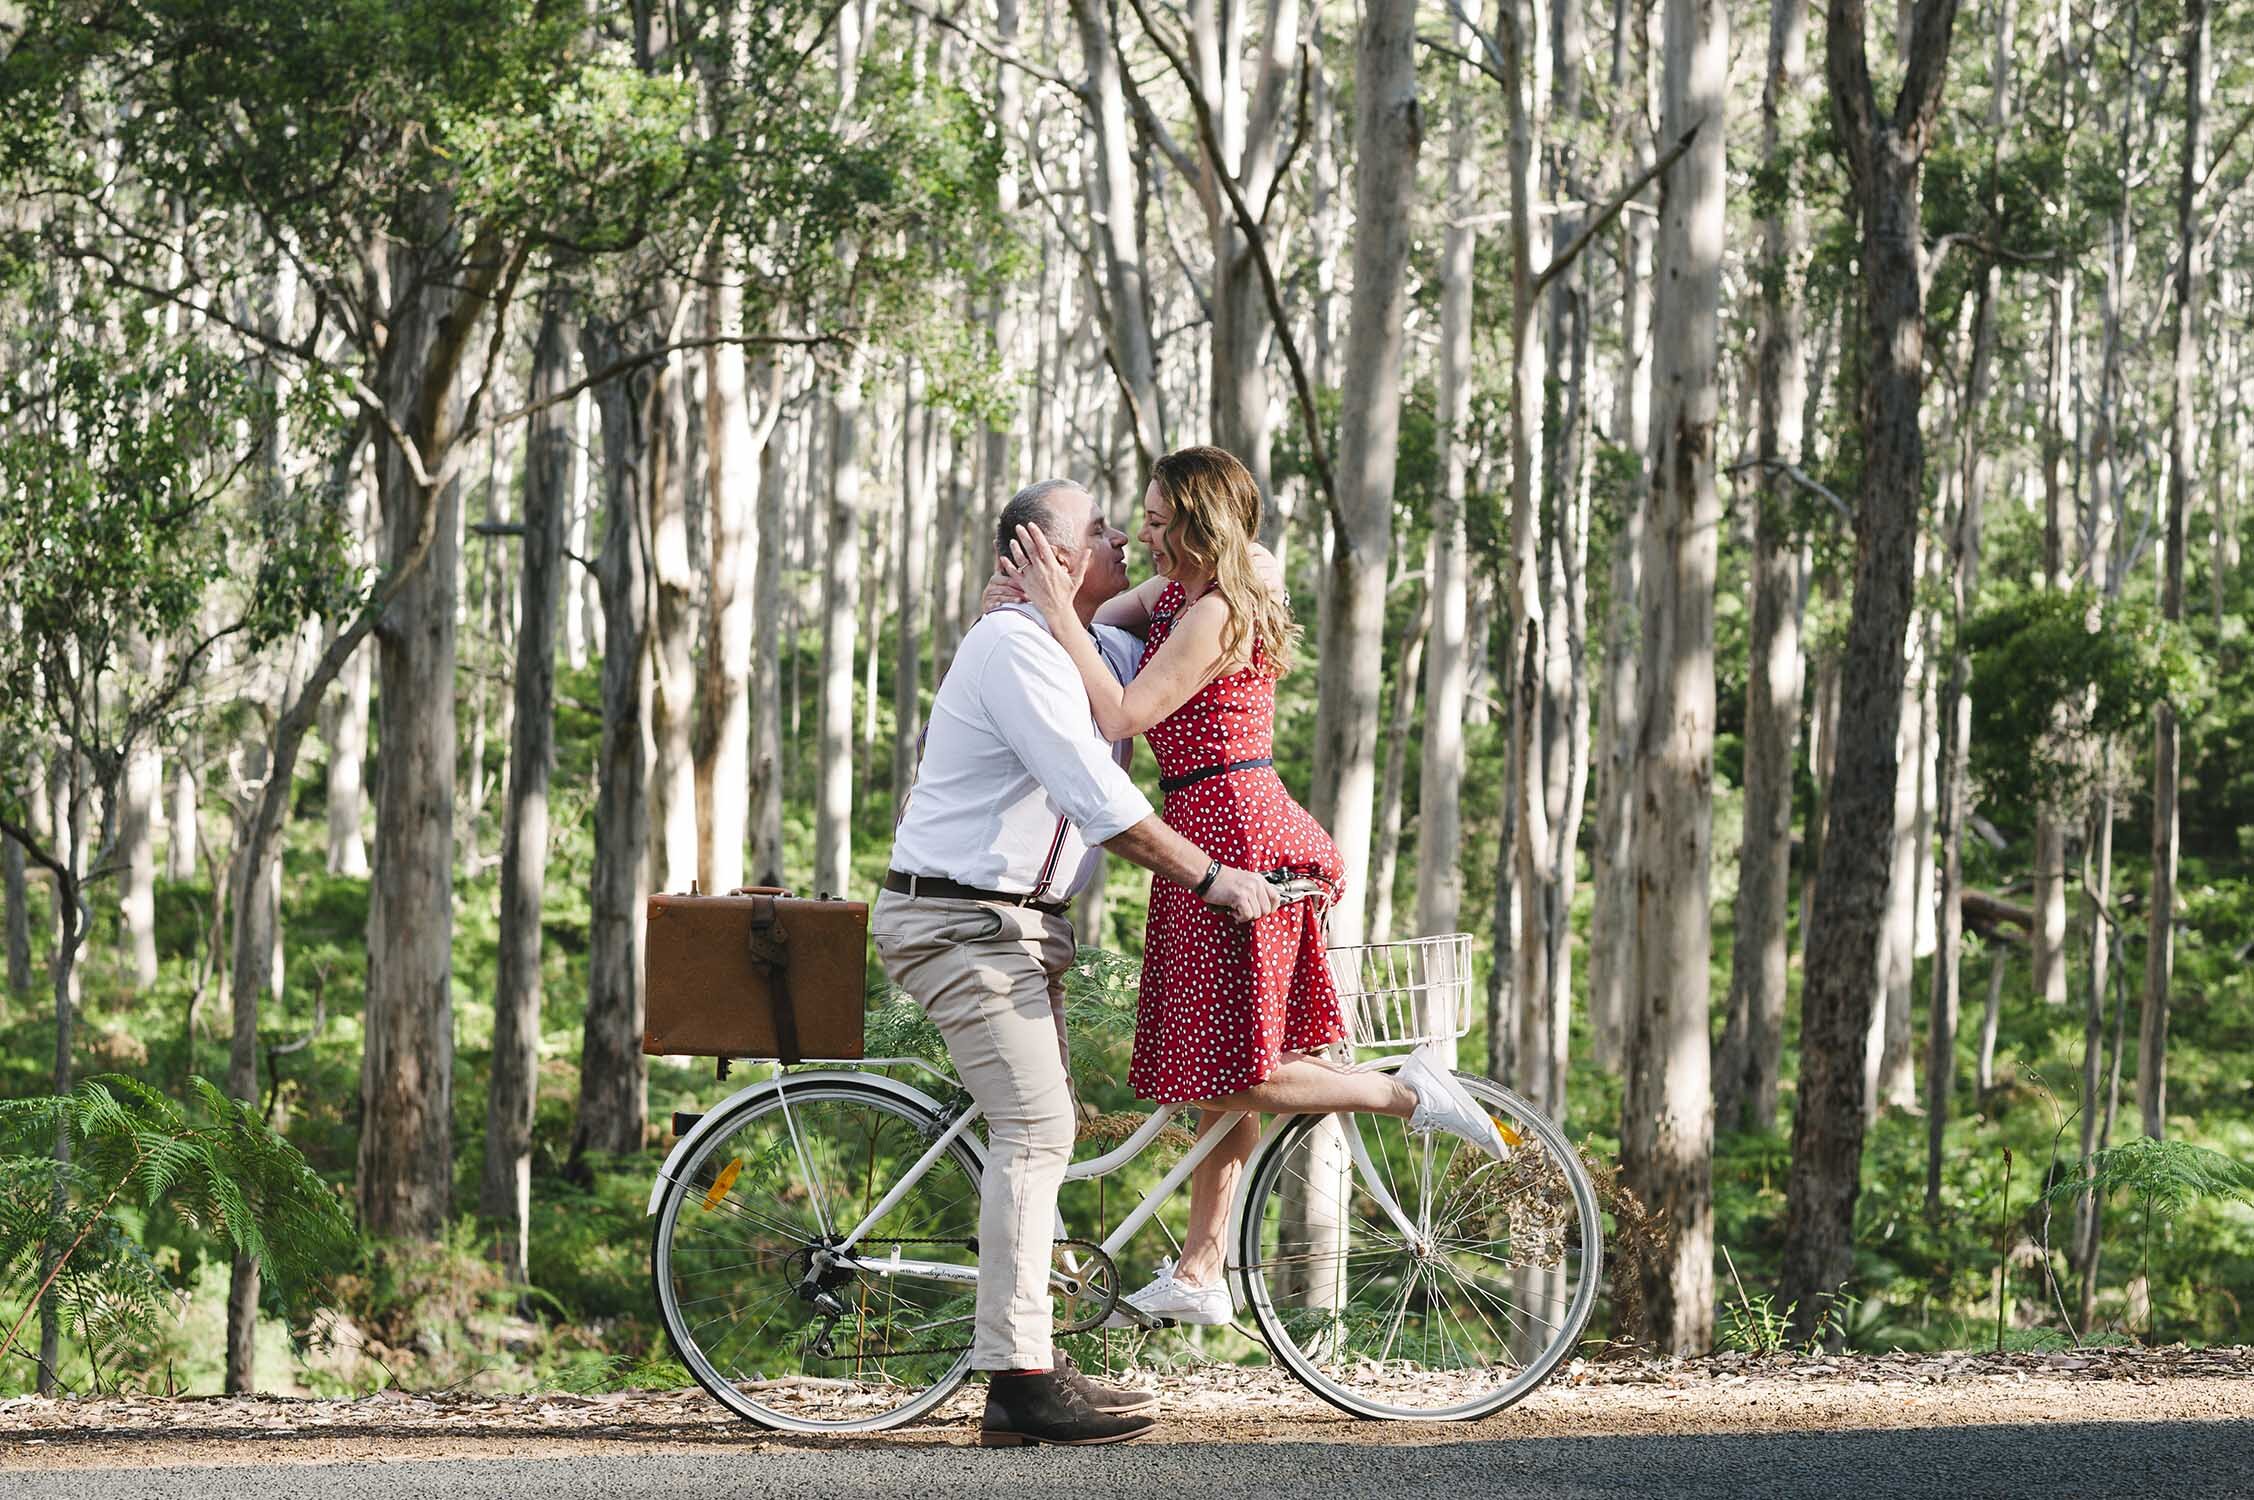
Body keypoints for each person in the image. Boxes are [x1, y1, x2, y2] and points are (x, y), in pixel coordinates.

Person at [998, 444, 1507, 1332]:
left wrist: (1054, 612)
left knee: (1243, 1072)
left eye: (1159, 521)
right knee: (1224, 1071)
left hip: (1239, 833)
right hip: (1209, 829)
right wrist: (1033, 599)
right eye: (1143, 521)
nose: (1147, 535)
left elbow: (1121, 714)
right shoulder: (1175, 594)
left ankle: (1410, 1091)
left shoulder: (1217, 611)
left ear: (1197, 524)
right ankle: (1200, 1270)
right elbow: (1087, 613)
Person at [872, 477, 1283, 1449]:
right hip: (961, 924)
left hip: (1018, 926)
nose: (1122, 544)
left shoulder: (1083, 644)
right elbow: (1098, 796)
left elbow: (1249, 574)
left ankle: (1036, 1352)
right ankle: (1017, 1385)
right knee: (1037, 1127)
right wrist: (1212, 876)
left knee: (1040, 1133)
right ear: (1050, 556)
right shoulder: (1015, 648)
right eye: (1101, 531)